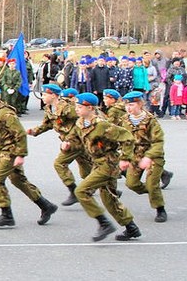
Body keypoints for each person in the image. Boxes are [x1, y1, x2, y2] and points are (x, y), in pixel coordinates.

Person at [0, 85, 58, 227]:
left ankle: (6, 214)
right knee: (18, 180)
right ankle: (46, 205)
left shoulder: (6, 114)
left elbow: (20, 134)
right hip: (2, 151)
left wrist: (20, 155)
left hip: (10, 151)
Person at [61, 93, 141, 241]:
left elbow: (127, 137)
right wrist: (68, 145)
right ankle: (131, 228)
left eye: (80, 107)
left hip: (108, 164)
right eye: (76, 106)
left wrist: (125, 158)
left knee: (81, 191)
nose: (76, 109)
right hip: (97, 163)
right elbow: (76, 140)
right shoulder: (80, 123)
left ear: (90, 108)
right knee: (109, 199)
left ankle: (103, 223)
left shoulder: (101, 124)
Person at [27, 85, 91, 206]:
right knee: (86, 166)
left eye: (45, 95)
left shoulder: (67, 108)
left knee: (59, 163)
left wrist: (69, 140)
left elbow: (81, 121)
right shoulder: (49, 108)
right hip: (68, 140)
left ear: (54, 95)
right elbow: (47, 124)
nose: (42, 97)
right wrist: (34, 131)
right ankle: (108, 186)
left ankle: (73, 191)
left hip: (76, 139)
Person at [119, 92, 170, 222]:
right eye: (127, 105)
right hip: (135, 157)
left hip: (153, 156)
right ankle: (153, 192)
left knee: (152, 183)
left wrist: (148, 157)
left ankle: (160, 209)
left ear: (141, 104)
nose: (129, 108)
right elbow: (122, 140)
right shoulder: (125, 120)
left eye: (132, 104)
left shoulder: (150, 120)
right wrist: (123, 157)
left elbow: (158, 142)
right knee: (131, 184)